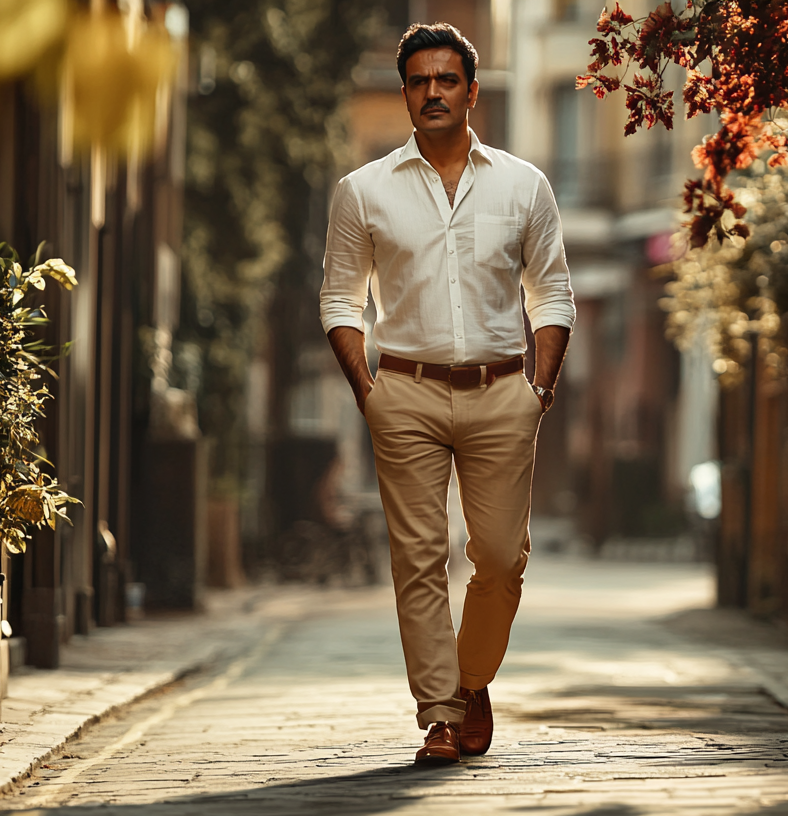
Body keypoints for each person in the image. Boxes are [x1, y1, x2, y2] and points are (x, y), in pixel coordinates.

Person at [319, 22, 575, 766]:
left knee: (498, 558)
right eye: (419, 81)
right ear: (404, 92)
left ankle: (470, 681)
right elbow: (340, 301)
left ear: (472, 90)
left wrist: (540, 390)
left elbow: (552, 296)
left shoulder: (524, 185)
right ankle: (439, 714)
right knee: (418, 557)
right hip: (404, 391)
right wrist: (368, 390)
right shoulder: (361, 192)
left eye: (447, 80)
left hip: (504, 393)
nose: (433, 92)